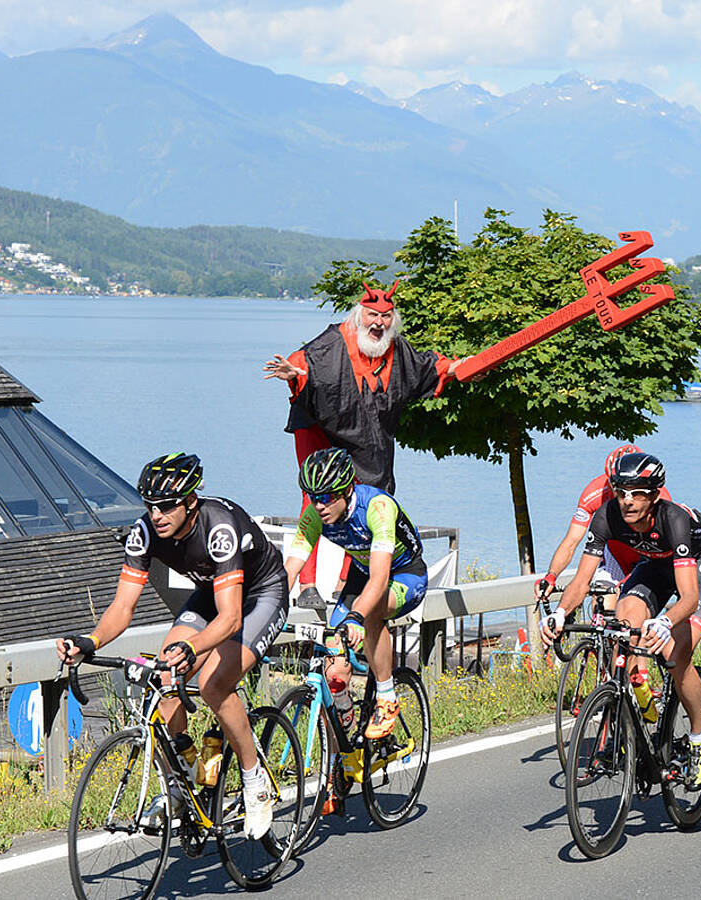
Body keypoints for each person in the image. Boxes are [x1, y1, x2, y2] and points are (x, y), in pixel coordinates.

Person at [57, 453, 289, 839]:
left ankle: (255, 782)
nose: (157, 514)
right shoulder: (145, 531)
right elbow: (123, 605)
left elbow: (231, 619)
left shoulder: (219, 529)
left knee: (215, 683)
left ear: (190, 503)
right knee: (164, 676)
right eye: (150, 506)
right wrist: (91, 639)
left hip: (261, 594)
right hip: (211, 593)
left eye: (166, 506)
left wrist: (193, 647)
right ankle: (181, 784)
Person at [263, 281, 466, 597]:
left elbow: (430, 366)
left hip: (363, 433)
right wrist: (294, 373)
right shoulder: (334, 341)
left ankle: (350, 578)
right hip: (320, 427)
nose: (379, 323)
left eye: (385, 318)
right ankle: (308, 583)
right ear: (360, 316)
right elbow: (305, 361)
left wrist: (460, 368)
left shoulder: (396, 350)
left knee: (366, 494)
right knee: (317, 491)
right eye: (373, 315)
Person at [539, 452, 701, 789]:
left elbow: (689, 598)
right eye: (621, 491)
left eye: (637, 493)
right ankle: (638, 699)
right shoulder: (607, 516)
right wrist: (560, 613)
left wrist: (665, 622)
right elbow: (581, 582)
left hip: (696, 568)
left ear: (654, 496)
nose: (627, 501)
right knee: (624, 619)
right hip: (653, 566)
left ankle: (700, 738)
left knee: (675, 655)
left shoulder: (674, 520)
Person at [283, 447, 428, 742]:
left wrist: (357, 617)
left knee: (371, 611)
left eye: (327, 496)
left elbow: (379, 578)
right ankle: (342, 732)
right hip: (363, 573)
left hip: (404, 573)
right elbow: (289, 569)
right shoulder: (314, 516)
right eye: (313, 497)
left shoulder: (377, 508)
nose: (319, 505)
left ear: (348, 489)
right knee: (334, 666)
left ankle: (386, 698)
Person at [533, 443, 672, 606]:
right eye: (615, 483)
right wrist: (552, 575)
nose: (619, 491)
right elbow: (571, 542)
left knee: (634, 606)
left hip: (648, 554)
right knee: (601, 601)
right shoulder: (594, 493)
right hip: (616, 553)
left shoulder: (657, 497)